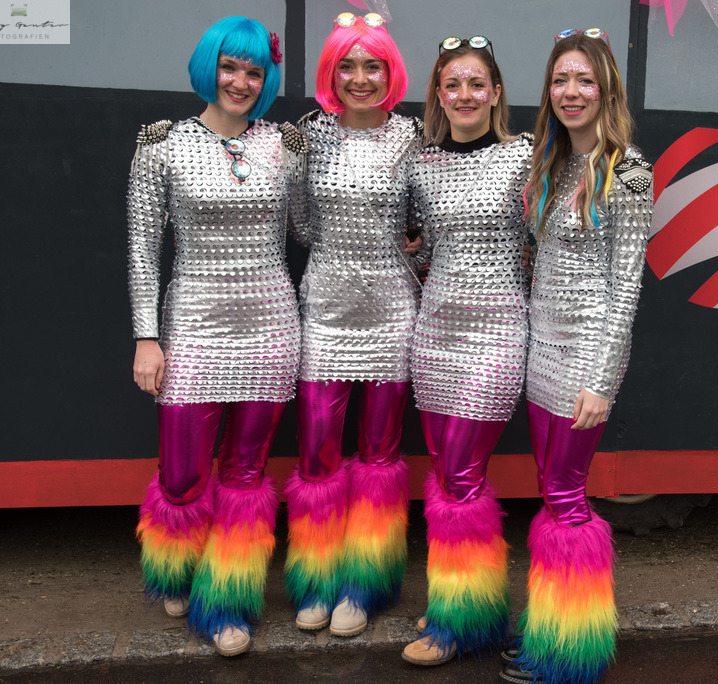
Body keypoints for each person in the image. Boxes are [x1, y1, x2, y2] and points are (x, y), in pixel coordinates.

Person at [129, 16, 304, 657]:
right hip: (194, 325)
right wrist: (147, 337)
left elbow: (309, 229)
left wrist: (398, 236)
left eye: (254, 72)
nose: (240, 82)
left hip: (271, 326)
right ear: (210, 67)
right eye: (230, 67)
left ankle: (227, 601)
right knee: (180, 474)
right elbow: (142, 248)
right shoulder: (162, 144)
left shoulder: (285, 147)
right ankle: (177, 566)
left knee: (246, 471)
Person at [500, 29, 654, 684]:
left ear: (605, 89)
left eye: (584, 80)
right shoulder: (553, 163)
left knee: (566, 494)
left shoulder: (630, 171)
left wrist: (601, 379)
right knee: (551, 489)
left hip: (587, 356)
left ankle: (569, 651)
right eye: (560, 80)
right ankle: (553, 624)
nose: (571, 92)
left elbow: (626, 288)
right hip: (542, 350)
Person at [283, 12, 422, 638]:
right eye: (347, 65)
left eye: (373, 66)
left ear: (391, 73)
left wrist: (409, 247)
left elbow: (427, 224)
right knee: (317, 448)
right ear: (330, 73)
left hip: (392, 310)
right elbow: (301, 226)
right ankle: (316, 579)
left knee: (379, 453)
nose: (360, 78)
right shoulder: (307, 137)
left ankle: (363, 585)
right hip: (326, 311)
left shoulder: (414, 139)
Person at [399, 36, 531, 667]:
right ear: (439, 94)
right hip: (435, 333)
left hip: (497, 331)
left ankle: (456, 624)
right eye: (452, 84)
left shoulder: (526, 155)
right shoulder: (420, 165)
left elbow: (548, 241)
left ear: (496, 92)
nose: (465, 95)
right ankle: (466, 601)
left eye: (477, 83)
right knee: (447, 472)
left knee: (459, 472)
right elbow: (427, 248)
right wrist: (410, 249)